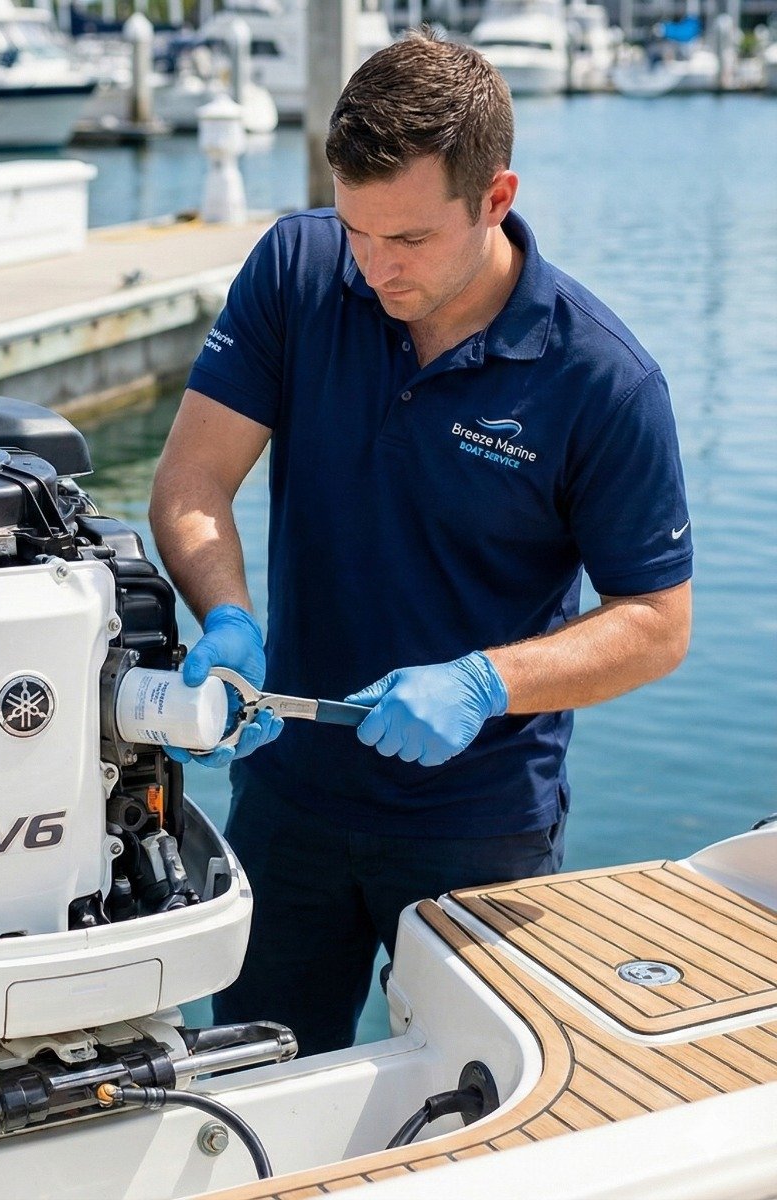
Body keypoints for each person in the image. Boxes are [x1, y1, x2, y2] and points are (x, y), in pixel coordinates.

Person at [148, 30, 693, 1058]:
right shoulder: (299, 269)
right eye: (357, 228)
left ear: (495, 199)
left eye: (408, 240)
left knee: (473, 1108)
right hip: (287, 797)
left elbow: (659, 625)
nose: (374, 265)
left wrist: (483, 683)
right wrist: (223, 612)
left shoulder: (603, 381)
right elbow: (191, 480)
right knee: (258, 1096)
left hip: (479, 826)